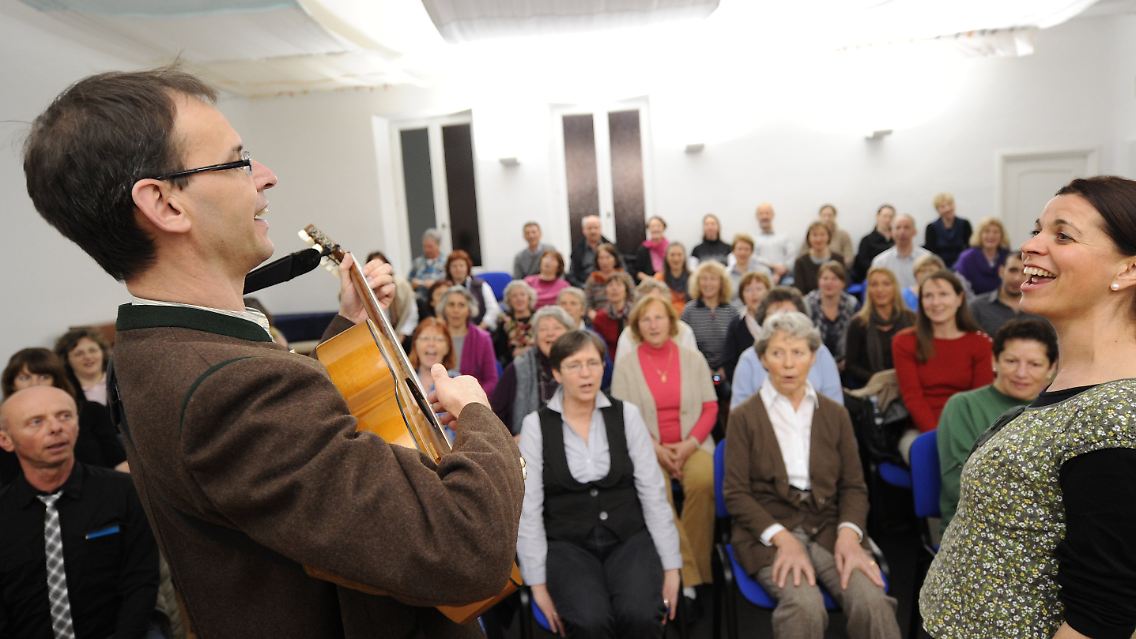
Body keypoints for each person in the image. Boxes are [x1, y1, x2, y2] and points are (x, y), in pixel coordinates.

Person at [23, 66, 523, 637]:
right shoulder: (227, 391)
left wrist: (347, 328)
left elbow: (291, 440)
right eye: (237, 161)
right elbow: (463, 549)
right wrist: (480, 419)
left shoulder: (154, 347)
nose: (266, 176)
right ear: (164, 204)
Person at [922, 176, 1136, 639]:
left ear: (1128, 270)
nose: (1030, 246)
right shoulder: (1079, 385)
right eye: (1037, 230)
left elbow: (1100, 618)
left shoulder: (1118, 413)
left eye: (1062, 235)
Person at [723, 312, 900, 639]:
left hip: (829, 527)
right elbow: (735, 493)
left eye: (798, 353)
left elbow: (854, 487)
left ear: (813, 358)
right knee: (804, 608)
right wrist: (782, 538)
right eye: (778, 353)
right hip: (769, 531)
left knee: (873, 602)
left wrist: (850, 535)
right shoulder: (743, 417)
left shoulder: (835, 414)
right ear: (763, 359)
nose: (788, 364)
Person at [518, 331, 682, 637]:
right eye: (574, 365)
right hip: (567, 546)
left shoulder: (627, 415)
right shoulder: (535, 426)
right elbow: (529, 510)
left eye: (593, 363)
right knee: (591, 623)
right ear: (556, 373)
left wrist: (672, 567)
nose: (585, 373)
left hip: (629, 539)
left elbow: (653, 495)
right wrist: (537, 583)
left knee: (642, 616)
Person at [0, 386, 160, 639]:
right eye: (36, 422)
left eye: (65, 416)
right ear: (6, 440)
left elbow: (140, 583)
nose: (55, 428)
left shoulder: (121, 492)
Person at [611, 296, 718, 598]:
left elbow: (710, 407)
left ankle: (688, 575)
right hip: (647, 448)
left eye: (659, 318)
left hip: (693, 443)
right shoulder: (626, 365)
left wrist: (688, 445)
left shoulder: (693, 358)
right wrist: (656, 449)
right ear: (637, 328)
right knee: (657, 490)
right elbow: (625, 417)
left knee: (704, 480)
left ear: (672, 323)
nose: (653, 324)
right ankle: (690, 580)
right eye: (646, 319)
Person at [937, 318, 1056, 531]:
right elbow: (960, 484)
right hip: (976, 527)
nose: (1021, 373)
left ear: (1051, 368)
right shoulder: (963, 406)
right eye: (1011, 361)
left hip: (1045, 529)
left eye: (1034, 364)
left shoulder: (1058, 410)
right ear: (994, 360)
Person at [892, 270, 992, 460]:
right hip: (922, 431)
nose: (936, 303)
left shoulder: (981, 343)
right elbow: (912, 396)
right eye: (928, 296)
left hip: (969, 429)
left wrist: (962, 438)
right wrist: (941, 437)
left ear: (959, 298)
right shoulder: (904, 341)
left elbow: (980, 399)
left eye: (943, 294)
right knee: (926, 455)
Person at [1, 348, 128, 485]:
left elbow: (119, 462)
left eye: (44, 377)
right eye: (24, 378)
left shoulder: (91, 411)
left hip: (99, 492)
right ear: (12, 384)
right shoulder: (4, 423)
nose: (34, 384)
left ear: (56, 381)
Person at [731, 288, 844, 407]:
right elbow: (739, 411)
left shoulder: (820, 352)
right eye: (774, 315)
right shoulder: (749, 358)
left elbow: (835, 404)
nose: (782, 321)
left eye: (789, 315)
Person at [490, 306, 574, 435]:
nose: (550, 333)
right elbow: (494, 414)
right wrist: (509, 442)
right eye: (543, 329)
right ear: (535, 336)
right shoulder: (517, 368)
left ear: (569, 333)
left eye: (557, 328)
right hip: (527, 444)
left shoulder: (581, 365)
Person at [843, 267, 917, 389]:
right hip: (870, 388)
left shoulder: (911, 319)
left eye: (886, 284)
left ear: (895, 288)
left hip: (907, 385)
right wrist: (879, 380)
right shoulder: (858, 323)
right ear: (868, 290)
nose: (880, 290)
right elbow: (851, 365)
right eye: (874, 284)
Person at [614, 279, 698, 362]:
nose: (653, 325)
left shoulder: (684, 331)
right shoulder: (628, 335)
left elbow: (693, 367)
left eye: (658, 316)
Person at [438, 285, 500, 395]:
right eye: (451, 305)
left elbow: (491, 380)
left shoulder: (483, 339)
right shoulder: (434, 335)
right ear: (444, 308)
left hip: (472, 401)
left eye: (461, 305)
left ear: (469, 310)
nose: (455, 310)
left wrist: (472, 398)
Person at [681, 261, 739, 376]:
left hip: (727, 371)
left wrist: (725, 369)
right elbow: (683, 344)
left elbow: (736, 347)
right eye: (704, 279)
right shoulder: (689, 310)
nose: (708, 283)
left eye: (713, 279)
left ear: (721, 283)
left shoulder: (732, 311)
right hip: (695, 370)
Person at [968, 252, 1047, 336]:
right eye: (1012, 270)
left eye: (1024, 272)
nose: (1017, 278)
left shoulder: (1043, 309)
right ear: (1001, 271)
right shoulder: (977, 307)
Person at [721, 271, 773, 381]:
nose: (754, 294)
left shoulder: (778, 322)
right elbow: (729, 363)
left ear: (768, 292)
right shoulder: (736, 324)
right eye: (748, 290)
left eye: (759, 289)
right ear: (742, 295)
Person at [805, 261, 858, 364]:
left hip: (847, 363)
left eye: (834, 279)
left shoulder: (852, 304)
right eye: (825, 278)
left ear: (843, 283)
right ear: (818, 281)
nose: (829, 283)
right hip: (813, 362)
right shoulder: (807, 303)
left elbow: (856, 341)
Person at [366, 250, 419, 345]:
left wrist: (400, 337)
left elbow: (411, 315)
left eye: (381, 268)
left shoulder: (402, 285)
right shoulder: (366, 289)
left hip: (403, 337)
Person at [871, 213, 930, 291]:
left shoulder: (927, 259)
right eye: (898, 228)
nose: (902, 232)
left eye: (906, 227)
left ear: (914, 231)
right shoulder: (880, 262)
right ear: (891, 232)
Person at [444, 249, 501, 330]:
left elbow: (493, 309)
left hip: (479, 329)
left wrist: (480, 328)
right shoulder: (444, 288)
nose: (458, 269)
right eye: (454, 266)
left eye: (461, 265)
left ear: (467, 267)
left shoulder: (481, 285)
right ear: (448, 269)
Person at [952, 217, 1011, 295]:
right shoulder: (967, 258)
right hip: (974, 304)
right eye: (986, 231)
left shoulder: (1008, 257)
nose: (991, 235)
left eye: (996, 232)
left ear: (1001, 236)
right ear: (980, 235)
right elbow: (962, 288)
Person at [54, 329, 110, 405]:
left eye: (93, 350)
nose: (88, 357)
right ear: (66, 359)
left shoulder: (121, 381)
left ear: (103, 352)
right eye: (79, 354)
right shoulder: (62, 391)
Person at [591, 272, 636, 359]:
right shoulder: (600, 318)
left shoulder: (636, 315)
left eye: (618, 285)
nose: (614, 289)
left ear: (626, 290)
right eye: (610, 285)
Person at [493, 280, 536, 367]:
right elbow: (500, 352)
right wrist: (513, 353)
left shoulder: (539, 318)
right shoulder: (503, 321)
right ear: (509, 300)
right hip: (512, 366)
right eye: (514, 296)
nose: (519, 299)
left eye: (522, 295)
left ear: (529, 297)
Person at [923, 193, 973, 268]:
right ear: (937, 209)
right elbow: (931, 253)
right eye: (943, 206)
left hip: (963, 266)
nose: (947, 209)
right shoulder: (931, 227)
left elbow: (970, 248)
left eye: (950, 204)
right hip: (940, 267)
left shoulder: (965, 224)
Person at [793, 222, 844, 296]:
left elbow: (843, 284)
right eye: (814, 235)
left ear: (828, 237)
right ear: (808, 238)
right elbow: (799, 290)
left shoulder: (838, 259)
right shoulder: (800, 262)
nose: (818, 239)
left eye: (822, 235)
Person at [798, 204, 854, 268]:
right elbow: (802, 255)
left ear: (835, 217)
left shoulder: (843, 235)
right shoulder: (811, 234)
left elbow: (849, 257)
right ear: (819, 217)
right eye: (824, 215)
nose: (827, 218)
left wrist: (835, 267)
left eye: (830, 215)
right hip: (812, 269)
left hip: (837, 270)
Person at [409, 317, 455, 393]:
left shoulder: (456, 381)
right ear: (415, 345)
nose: (431, 344)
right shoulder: (403, 381)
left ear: (447, 348)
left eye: (438, 339)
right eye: (425, 338)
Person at [851, 204, 895, 283]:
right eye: (885, 216)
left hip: (895, 277)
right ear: (877, 217)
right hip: (873, 277)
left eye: (890, 217)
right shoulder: (867, 240)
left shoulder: (898, 240)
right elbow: (863, 263)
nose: (888, 220)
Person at [753, 203, 794, 284]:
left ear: (773, 215)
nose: (764, 216)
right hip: (762, 277)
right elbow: (754, 258)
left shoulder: (784, 237)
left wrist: (779, 273)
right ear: (757, 217)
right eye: (761, 214)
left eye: (767, 213)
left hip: (784, 276)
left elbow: (791, 256)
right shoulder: (754, 240)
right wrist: (773, 266)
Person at [568, 215, 612, 287]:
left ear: (600, 229)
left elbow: (621, 269)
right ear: (583, 231)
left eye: (596, 228)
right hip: (584, 287)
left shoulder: (611, 248)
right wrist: (584, 287)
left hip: (609, 286)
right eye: (589, 228)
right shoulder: (577, 251)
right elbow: (572, 276)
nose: (593, 231)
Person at [726, 233, 772, 298]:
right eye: (740, 249)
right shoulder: (726, 274)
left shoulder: (764, 272)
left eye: (746, 249)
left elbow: (770, 295)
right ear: (733, 251)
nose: (743, 253)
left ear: (752, 252)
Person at [584, 243, 625, 313]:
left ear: (615, 259)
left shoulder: (624, 277)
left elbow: (632, 298)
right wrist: (591, 313)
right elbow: (587, 301)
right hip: (598, 316)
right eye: (601, 258)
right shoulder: (592, 279)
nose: (604, 262)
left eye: (608, 257)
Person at [408, 228, 448, 297]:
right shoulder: (417, 262)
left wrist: (435, 284)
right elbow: (408, 281)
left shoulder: (446, 262)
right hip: (419, 300)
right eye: (424, 246)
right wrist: (413, 284)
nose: (427, 250)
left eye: (430, 247)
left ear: (438, 245)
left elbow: (449, 281)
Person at [655, 241, 691, 313]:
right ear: (667, 257)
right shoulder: (658, 278)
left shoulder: (692, 278)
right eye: (672, 255)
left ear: (684, 257)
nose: (676, 259)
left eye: (679, 255)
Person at [634, 215, 669, 282]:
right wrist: (652, 281)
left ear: (663, 228)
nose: (655, 229)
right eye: (652, 226)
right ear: (648, 229)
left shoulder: (669, 248)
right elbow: (637, 272)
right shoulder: (643, 248)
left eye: (658, 226)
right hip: (649, 283)